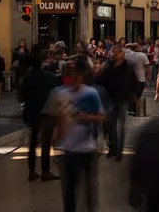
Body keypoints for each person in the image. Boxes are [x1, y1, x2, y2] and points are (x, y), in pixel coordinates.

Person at [51, 57, 106, 212]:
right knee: (70, 188)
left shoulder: (91, 93)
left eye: (76, 75)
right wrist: (58, 140)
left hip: (89, 148)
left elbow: (101, 116)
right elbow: (59, 123)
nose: (73, 78)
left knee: (89, 186)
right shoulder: (62, 95)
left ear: (81, 76)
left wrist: (87, 117)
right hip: (70, 149)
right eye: (70, 75)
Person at [21, 49, 60, 181]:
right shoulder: (49, 77)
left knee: (32, 142)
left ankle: (31, 170)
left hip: (31, 111)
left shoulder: (27, 77)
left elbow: (21, 96)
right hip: (45, 111)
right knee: (45, 141)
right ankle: (45, 170)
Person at [96, 44, 135, 161]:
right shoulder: (106, 66)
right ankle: (112, 148)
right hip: (109, 99)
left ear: (122, 54)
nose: (114, 54)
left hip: (122, 99)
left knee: (120, 126)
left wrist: (134, 95)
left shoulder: (128, 67)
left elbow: (133, 81)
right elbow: (100, 80)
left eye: (117, 52)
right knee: (109, 125)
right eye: (113, 52)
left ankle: (119, 151)